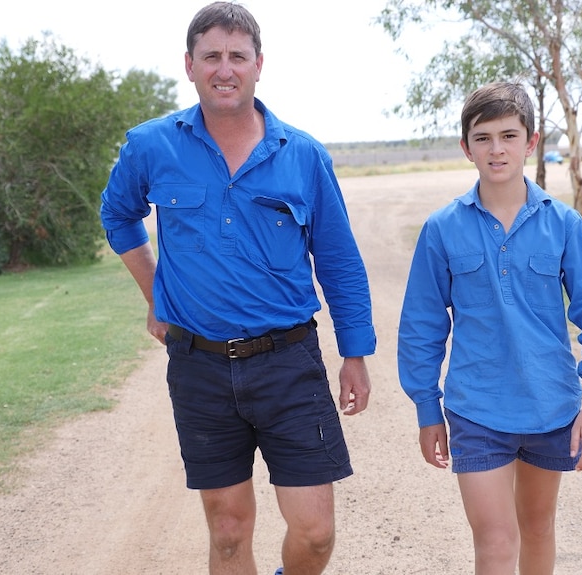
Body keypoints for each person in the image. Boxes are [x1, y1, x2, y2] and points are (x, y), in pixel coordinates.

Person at [99, 3, 375, 574]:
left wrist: (355, 354)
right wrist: (157, 296)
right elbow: (117, 215)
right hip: (198, 365)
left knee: (316, 533)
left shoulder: (302, 155)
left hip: (289, 362)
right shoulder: (152, 145)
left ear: (258, 65)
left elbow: (340, 260)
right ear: (190, 65)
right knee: (227, 533)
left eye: (237, 57)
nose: (225, 69)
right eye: (212, 57)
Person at [397, 81, 582, 575]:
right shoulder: (442, 229)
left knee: (538, 529)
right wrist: (425, 408)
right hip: (476, 410)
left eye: (508, 135)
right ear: (466, 147)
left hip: (551, 407)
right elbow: (421, 325)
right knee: (497, 542)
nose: (496, 149)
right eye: (482, 138)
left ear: (531, 142)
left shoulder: (564, 225)